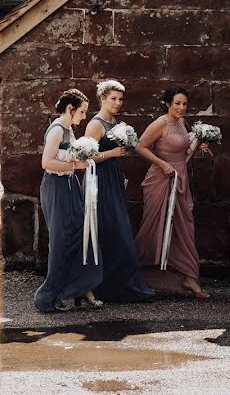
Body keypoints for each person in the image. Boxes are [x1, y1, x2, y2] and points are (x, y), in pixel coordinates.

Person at [134, 86, 210, 298]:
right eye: (177, 103)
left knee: (184, 226)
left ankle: (188, 276)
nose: (181, 107)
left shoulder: (181, 123)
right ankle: (139, 273)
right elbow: (140, 146)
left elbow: (183, 155)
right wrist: (163, 164)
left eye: (184, 104)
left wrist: (197, 147)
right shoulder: (161, 123)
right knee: (154, 225)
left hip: (180, 176)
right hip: (161, 178)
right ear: (168, 103)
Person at [33, 88, 104, 312]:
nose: (84, 117)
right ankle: (48, 297)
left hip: (69, 186)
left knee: (79, 233)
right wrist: (75, 165)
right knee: (61, 240)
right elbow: (47, 163)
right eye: (82, 112)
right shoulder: (56, 131)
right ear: (70, 109)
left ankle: (78, 288)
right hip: (56, 186)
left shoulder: (68, 129)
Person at [84, 80, 154, 303]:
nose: (117, 102)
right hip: (99, 179)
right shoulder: (95, 125)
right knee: (110, 228)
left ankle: (120, 284)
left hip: (113, 177)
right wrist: (112, 153)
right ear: (103, 99)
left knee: (119, 228)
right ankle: (103, 286)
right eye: (113, 98)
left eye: (120, 99)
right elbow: (85, 156)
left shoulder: (113, 121)